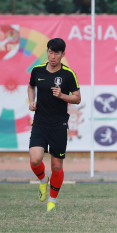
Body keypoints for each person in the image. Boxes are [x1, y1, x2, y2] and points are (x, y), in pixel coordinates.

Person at [28, 38, 81, 212]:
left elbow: (77, 98)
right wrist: (32, 101)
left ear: (62, 54)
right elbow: (31, 86)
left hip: (59, 124)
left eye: (56, 53)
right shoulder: (37, 70)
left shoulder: (68, 74)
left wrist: (62, 95)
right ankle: (43, 181)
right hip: (40, 122)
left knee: (56, 166)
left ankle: (53, 199)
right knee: (35, 159)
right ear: (47, 52)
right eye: (50, 52)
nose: (52, 56)